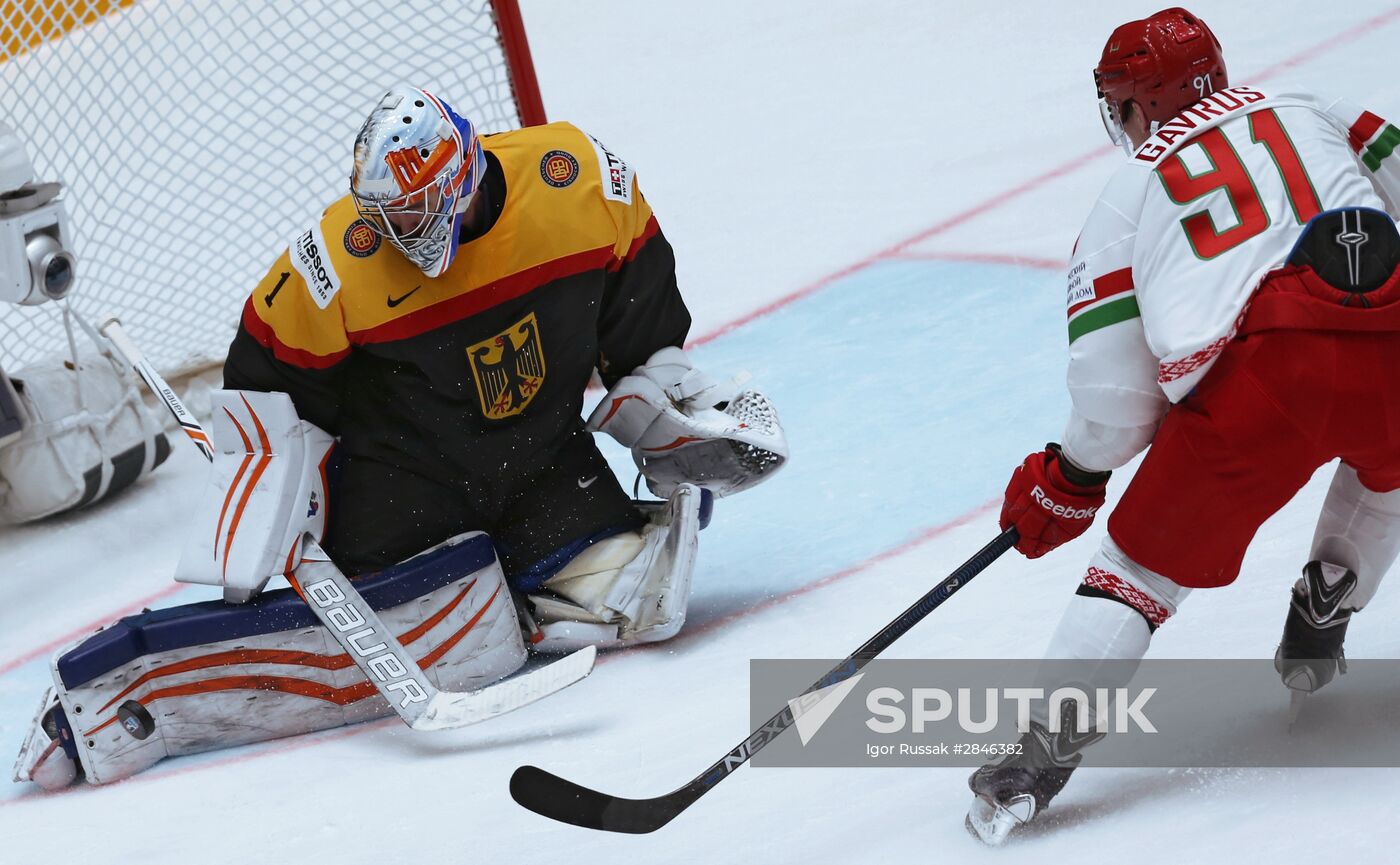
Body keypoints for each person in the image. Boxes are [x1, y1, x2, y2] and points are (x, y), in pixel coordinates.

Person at [13, 86, 786, 790]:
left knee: (647, 602)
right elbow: (261, 378)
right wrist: (283, 480)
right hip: (403, 488)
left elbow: (639, 297)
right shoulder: (336, 260)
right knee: (446, 625)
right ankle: (104, 700)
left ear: (460, 182)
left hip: (543, 461)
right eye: (378, 212)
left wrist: (662, 389)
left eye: (408, 213)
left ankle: (515, 596)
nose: (388, 228)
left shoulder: (573, 178)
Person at [965, 8, 1400, 845]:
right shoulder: (1311, 103)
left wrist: (1071, 478)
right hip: (1392, 327)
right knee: (1390, 466)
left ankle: (1036, 758)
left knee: (1139, 569)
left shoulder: (1127, 193)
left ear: (1135, 105)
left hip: (1262, 385)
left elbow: (1113, 390)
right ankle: (1331, 590)